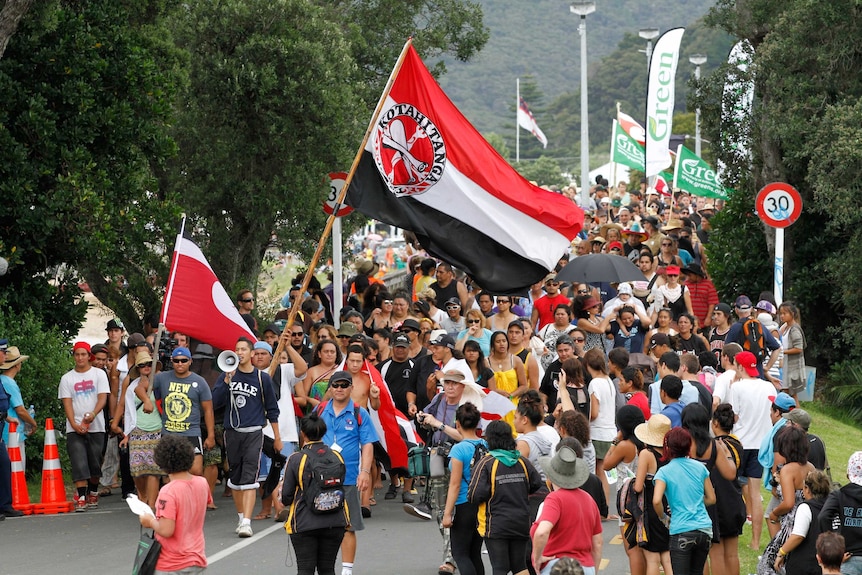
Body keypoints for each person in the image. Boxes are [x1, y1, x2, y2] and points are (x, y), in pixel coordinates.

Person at [212, 337, 281, 538]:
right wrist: (226, 381)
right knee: (235, 477)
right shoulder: (226, 375)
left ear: (252, 353)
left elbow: (272, 409)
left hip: (254, 432)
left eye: (243, 349)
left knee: (250, 477)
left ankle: (247, 522)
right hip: (232, 432)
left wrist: (277, 436)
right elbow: (215, 403)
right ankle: (241, 517)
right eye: (237, 349)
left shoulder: (262, 378)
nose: (240, 352)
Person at [316, 370, 378, 575]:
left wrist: (365, 472)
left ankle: (346, 570)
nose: (340, 389)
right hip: (320, 478)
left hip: (349, 478)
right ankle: (324, 567)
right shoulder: (320, 410)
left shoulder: (360, 413)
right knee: (320, 524)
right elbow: (307, 439)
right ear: (330, 388)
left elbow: (367, 445)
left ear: (351, 388)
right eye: (336, 385)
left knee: (347, 525)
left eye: (344, 385)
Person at [407, 369, 468, 575]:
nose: (450, 387)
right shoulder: (440, 398)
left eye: (454, 383)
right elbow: (423, 416)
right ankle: (455, 551)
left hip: (459, 458)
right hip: (436, 456)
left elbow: (465, 436)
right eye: (447, 383)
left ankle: (451, 558)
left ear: (462, 386)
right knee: (440, 510)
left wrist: (439, 424)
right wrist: (423, 418)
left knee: (455, 509)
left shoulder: (467, 404)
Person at [469, 420, 544, 575]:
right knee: (520, 566)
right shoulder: (522, 461)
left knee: (500, 568)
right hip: (521, 522)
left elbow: (475, 495)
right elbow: (536, 484)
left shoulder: (486, 463)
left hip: (496, 525)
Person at [281, 413, 348, 575]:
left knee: (305, 569)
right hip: (336, 520)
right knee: (327, 569)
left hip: (305, 522)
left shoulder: (297, 458)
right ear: (324, 433)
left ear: (303, 433)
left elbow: (286, 497)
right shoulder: (336, 456)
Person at [728, 349, 781, 549]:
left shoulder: (737, 388)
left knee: (732, 490)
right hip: (762, 445)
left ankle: (731, 533)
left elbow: (733, 416)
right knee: (755, 494)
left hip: (740, 444)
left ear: (741, 367)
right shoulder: (769, 387)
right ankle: (756, 542)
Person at [138, 434, 210, 574]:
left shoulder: (168, 492)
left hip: (172, 562)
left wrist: (150, 521)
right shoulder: (202, 483)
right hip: (196, 556)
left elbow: (166, 530)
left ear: (161, 463)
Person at [653, 427, 716, 575]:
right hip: (704, 530)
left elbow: (656, 501)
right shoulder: (700, 467)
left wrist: (664, 518)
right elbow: (712, 498)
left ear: (667, 447)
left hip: (681, 530)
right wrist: (696, 504)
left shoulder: (664, 472)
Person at [532, 446, 603, 575]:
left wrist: (537, 559)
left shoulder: (555, 498)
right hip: (585, 567)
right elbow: (597, 543)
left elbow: (542, 532)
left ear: (551, 476)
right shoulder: (589, 499)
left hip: (558, 568)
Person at [60, 341, 110, 512]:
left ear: (90, 356)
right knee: (78, 461)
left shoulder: (99, 374)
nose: (80, 358)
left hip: (96, 426)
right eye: (77, 354)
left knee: (94, 462)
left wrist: (93, 415)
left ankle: (93, 491)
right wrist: (74, 423)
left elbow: (102, 398)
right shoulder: (67, 378)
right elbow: (67, 403)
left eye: (83, 354)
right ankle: (81, 496)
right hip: (74, 428)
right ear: (73, 356)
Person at [153, 347, 216, 477]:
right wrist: (146, 400)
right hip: (169, 433)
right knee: (169, 473)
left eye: (183, 360)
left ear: (190, 361)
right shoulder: (162, 378)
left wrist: (211, 436)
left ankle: (192, 496)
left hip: (191, 432)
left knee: (196, 470)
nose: (180, 363)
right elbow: (141, 386)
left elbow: (208, 410)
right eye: (176, 361)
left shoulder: (199, 381)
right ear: (172, 361)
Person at [442, 403, 487, 575]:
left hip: (464, 503)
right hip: (482, 503)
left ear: (457, 424)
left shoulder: (458, 449)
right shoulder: (486, 445)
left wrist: (447, 513)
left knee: (460, 553)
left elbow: (454, 484)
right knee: (475, 552)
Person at [601, 405, 645, 575]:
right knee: (641, 546)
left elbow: (606, 464)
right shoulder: (644, 444)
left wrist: (615, 440)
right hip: (642, 496)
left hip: (626, 500)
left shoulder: (625, 445)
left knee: (631, 549)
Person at [710, 403, 748, 575]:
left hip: (717, 503)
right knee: (732, 555)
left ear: (715, 423)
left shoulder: (713, 447)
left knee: (716, 554)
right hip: (734, 502)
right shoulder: (737, 444)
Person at [633, 414, 673, 575]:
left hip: (651, 508)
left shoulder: (647, 454)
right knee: (667, 556)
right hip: (668, 506)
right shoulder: (671, 454)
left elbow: (637, 487)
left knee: (652, 558)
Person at [773, 470, 831, 575]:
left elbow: (798, 536)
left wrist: (781, 553)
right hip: (827, 562)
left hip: (806, 564)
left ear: (807, 489)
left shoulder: (806, 508)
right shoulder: (832, 506)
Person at [584, 348, 616, 506]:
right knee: (604, 471)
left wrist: (583, 417)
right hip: (610, 431)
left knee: (599, 473)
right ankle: (605, 506)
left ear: (588, 364)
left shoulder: (594, 383)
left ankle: (600, 506)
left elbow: (594, 412)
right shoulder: (608, 380)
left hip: (598, 432)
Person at [778, 301, 806, 402]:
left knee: (792, 395)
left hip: (792, 367)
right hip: (785, 365)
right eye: (780, 313)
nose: (782, 316)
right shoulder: (785, 327)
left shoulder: (794, 329)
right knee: (787, 394)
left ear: (792, 314)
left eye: (784, 313)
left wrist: (782, 351)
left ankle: (796, 416)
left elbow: (799, 348)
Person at [538, 305, 577, 372]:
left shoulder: (574, 329)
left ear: (568, 316)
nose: (560, 316)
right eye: (557, 314)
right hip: (545, 366)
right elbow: (538, 342)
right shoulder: (547, 327)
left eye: (562, 314)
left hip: (568, 365)